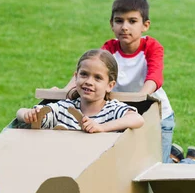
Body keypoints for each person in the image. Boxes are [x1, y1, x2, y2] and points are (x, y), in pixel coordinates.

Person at [61, 0, 195, 164]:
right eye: (119, 21)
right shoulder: (109, 48)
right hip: (125, 114)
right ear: (111, 24)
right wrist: (65, 90)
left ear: (145, 25)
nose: (125, 27)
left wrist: (141, 96)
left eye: (132, 21)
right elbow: (91, 68)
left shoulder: (152, 47)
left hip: (156, 116)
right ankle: (172, 156)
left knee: (156, 169)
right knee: (133, 165)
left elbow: (155, 76)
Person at [16, 49, 144, 133]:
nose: (89, 81)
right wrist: (29, 115)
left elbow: (137, 119)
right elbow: (22, 112)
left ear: (109, 85)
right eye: (84, 74)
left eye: (97, 78)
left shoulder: (112, 109)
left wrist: (101, 127)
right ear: (76, 76)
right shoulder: (65, 107)